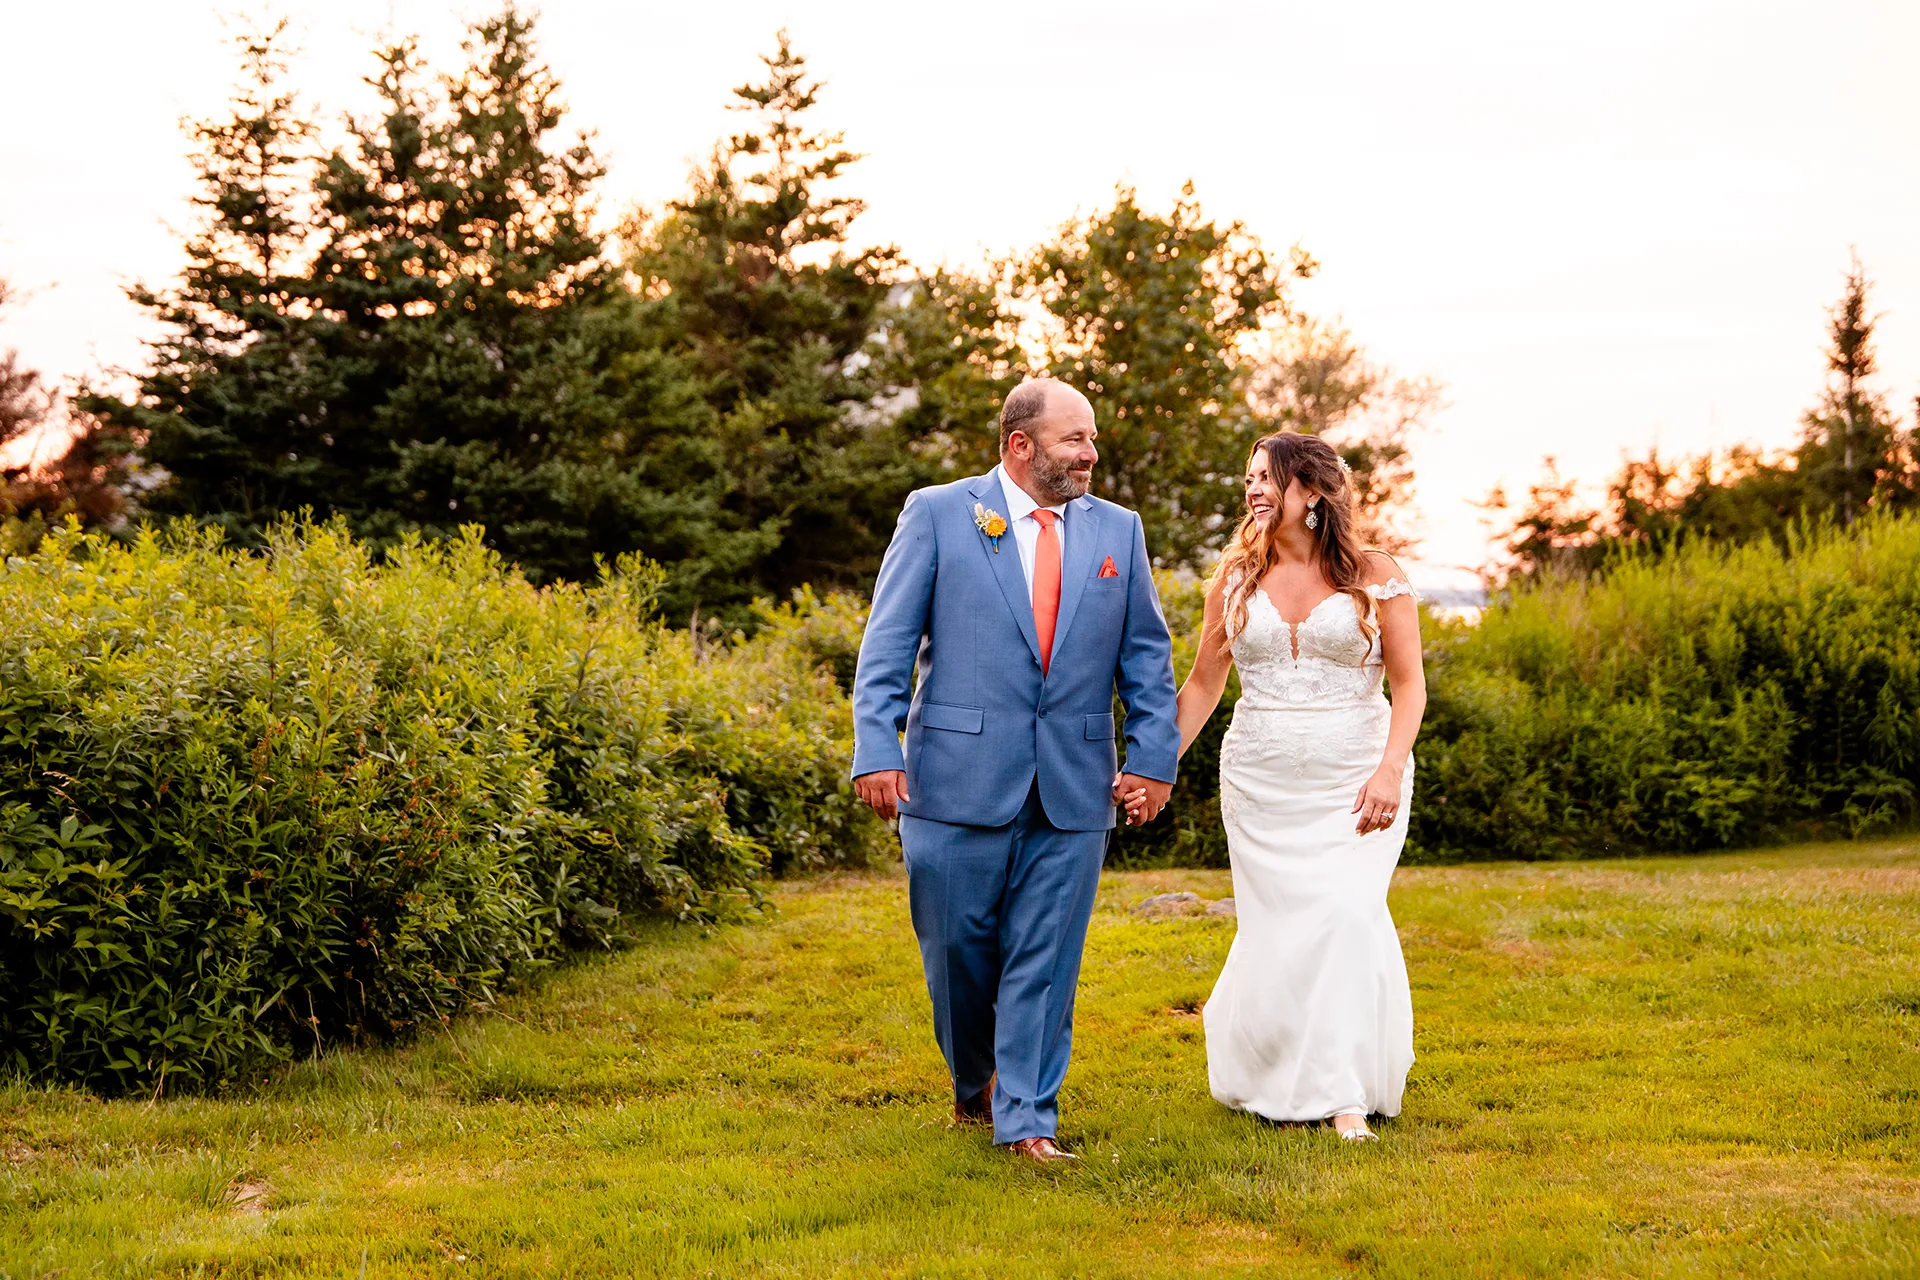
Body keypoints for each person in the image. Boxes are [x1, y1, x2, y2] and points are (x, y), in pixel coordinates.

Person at [850, 378, 1181, 1164]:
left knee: (1046, 959)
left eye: (1093, 438)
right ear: (1019, 446)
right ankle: (977, 1083)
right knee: (957, 953)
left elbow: (1146, 655)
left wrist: (1154, 760)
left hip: (1074, 785)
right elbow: (887, 643)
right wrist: (876, 747)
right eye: (1075, 439)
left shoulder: (1119, 532)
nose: (1091, 453)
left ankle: (1028, 1117)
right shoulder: (937, 514)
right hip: (952, 778)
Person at [1122, 430, 1424, 1142]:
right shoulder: (1233, 578)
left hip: (1356, 782)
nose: (1254, 489)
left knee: (1346, 917)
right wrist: (1153, 764)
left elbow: (1409, 688)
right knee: (1281, 930)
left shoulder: (1378, 575)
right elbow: (1202, 685)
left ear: (1312, 492)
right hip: (1259, 783)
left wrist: (1388, 769)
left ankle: (1345, 1093)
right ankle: (1273, 1074)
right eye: (1250, 478)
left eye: (1269, 478)